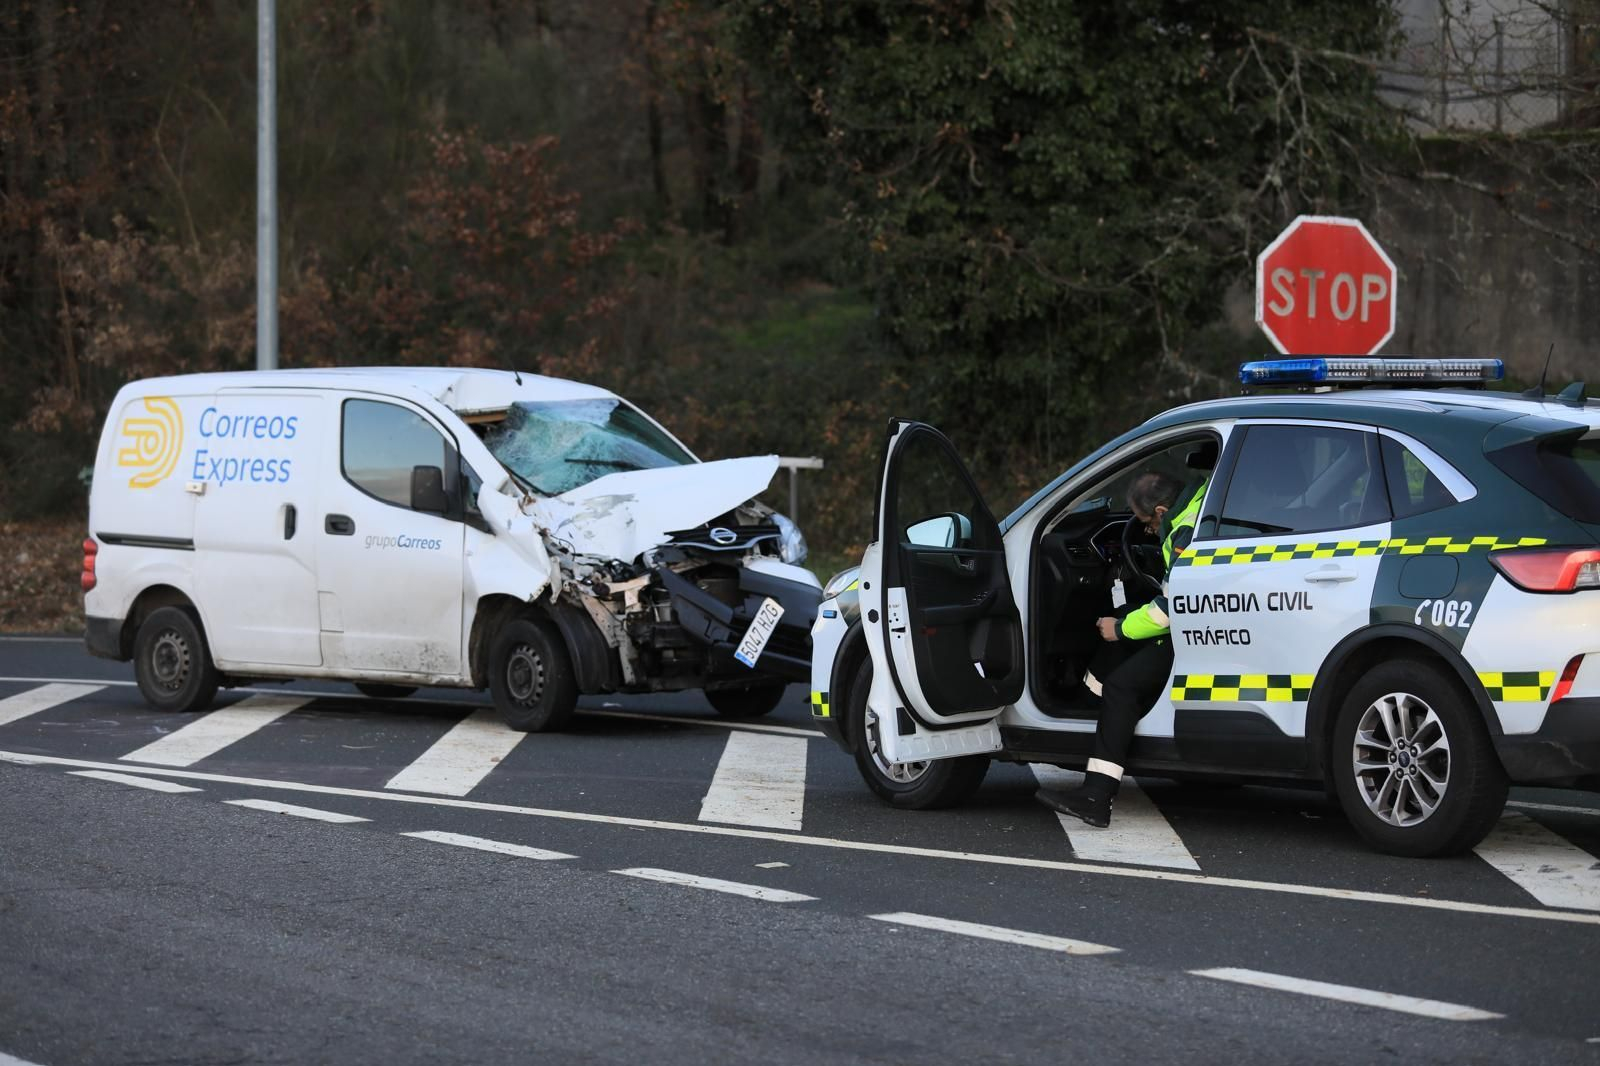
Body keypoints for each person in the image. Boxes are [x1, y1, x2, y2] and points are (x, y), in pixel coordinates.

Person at [1035, 470, 1207, 828]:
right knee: (1121, 637)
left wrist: (1120, 629)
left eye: (1144, 521)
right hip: (1197, 624)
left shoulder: (1183, 533)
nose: (1144, 529)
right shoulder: (1201, 501)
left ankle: (1096, 797)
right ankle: (1086, 713)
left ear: (1161, 511)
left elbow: (1167, 612)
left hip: (1192, 631)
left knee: (1122, 686)